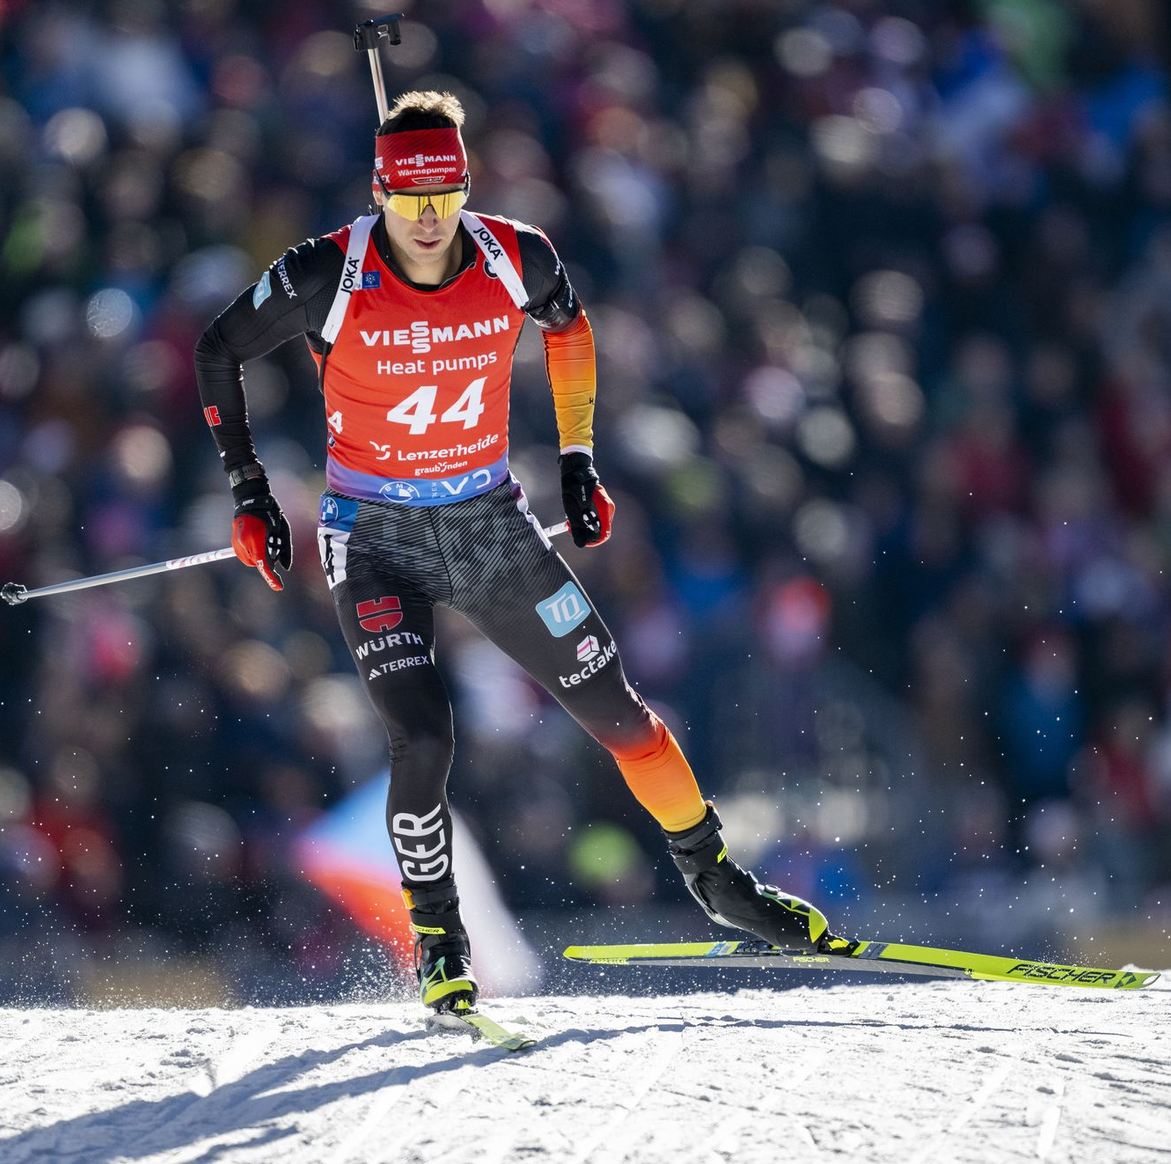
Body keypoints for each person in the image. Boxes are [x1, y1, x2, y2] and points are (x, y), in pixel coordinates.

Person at [195, 91, 834, 1015]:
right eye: (406, 198)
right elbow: (217, 350)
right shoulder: (324, 272)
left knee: (623, 714)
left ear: (464, 185)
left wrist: (577, 456)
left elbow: (569, 332)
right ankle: (439, 938)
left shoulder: (515, 254)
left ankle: (717, 879)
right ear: (379, 192)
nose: (424, 217)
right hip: (375, 539)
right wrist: (250, 490)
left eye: (442, 193)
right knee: (424, 736)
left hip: (490, 526)